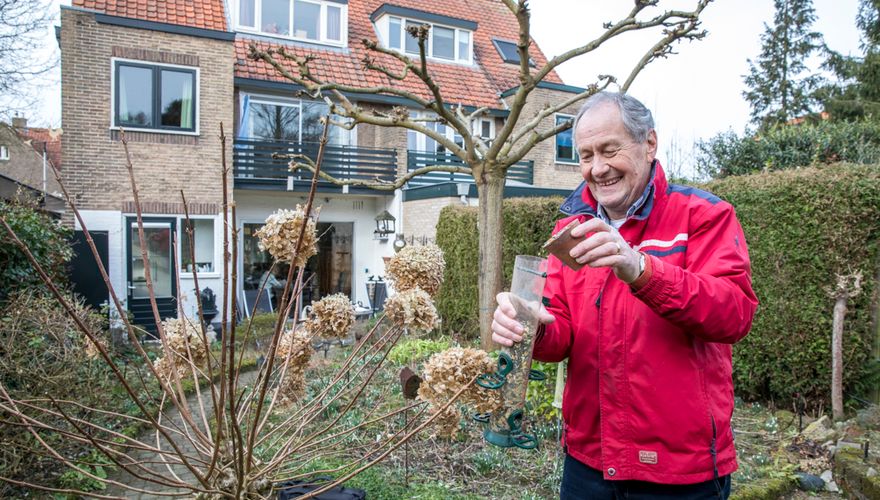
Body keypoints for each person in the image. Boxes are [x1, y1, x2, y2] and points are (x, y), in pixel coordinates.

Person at [492, 92, 758, 499]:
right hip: (588, 463)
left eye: (609, 150)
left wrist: (641, 270)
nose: (597, 169)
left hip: (679, 472)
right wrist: (530, 327)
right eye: (584, 155)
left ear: (649, 144)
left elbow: (733, 313)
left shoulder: (703, 215)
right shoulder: (572, 231)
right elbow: (562, 332)